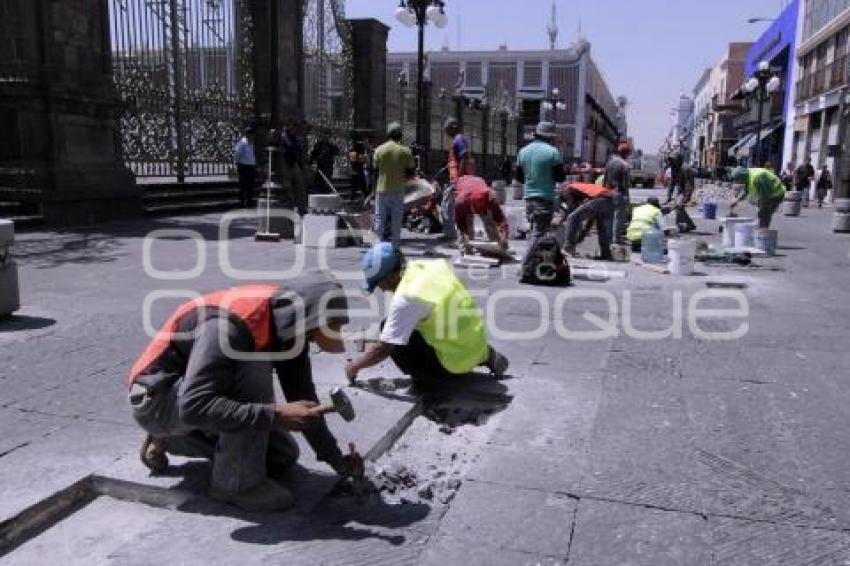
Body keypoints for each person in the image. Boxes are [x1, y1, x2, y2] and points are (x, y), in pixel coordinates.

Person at [127, 271, 360, 512]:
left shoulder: (286, 324)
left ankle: (176, 440)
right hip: (157, 403)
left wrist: (336, 460)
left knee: (282, 456)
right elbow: (194, 406)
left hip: (193, 398)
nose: (310, 342)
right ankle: (235, 485)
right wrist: (276, 415)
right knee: (253, 366)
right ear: (302, 319)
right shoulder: (228, 326)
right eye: (312, 335)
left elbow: (303, 396)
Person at [345, 243, 509, 392]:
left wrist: (354, 367)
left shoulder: (407, 297)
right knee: (417, 323)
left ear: (389, 277)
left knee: (390, 331)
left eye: (378, 284)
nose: (381, 289)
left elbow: (382, 349)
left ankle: (430, 382)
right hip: (476, 343)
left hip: (454, 365)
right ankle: (484, 356)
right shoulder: (431, 266)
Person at [515, 121, 566, 272]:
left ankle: (533, 264)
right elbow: (560, 177)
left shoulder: (523, 151)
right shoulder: (552, 152)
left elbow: (519, 177)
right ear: (550, 137)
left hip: (529, 198)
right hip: (544, 198)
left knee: (533, 232)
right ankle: (524, 266)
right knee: (538, 234)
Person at [373, 122, 416, 248]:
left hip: (381, 189)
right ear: (400, 135)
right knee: (396, 220)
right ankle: (395, 247)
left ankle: (377, 246)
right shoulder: (406, 151)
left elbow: (374, 172)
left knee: (379, 218)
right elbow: (411, 173)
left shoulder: (379, 150)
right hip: (398, 190)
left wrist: (372, 191)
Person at [453, 175, 509, 252]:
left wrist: (504, 236)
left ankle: (497, 247)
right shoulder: (460, 202)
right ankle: (466, 251)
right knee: (466, 227)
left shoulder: (491, 199)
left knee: (490, 221)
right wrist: (465, 235)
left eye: (483, 211)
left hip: (478, 182)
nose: (480, 214)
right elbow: (459, 222)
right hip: (463, 186)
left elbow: (501, 219)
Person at [560, 182, 615, 260]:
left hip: (601, 198)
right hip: (610, 201)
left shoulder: (567, 189)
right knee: (602, 229)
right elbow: (591, 220)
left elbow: (572, 211)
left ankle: (568, 247)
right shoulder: (582, 190)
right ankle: (606, 254)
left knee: (571, 218)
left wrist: (561, 221)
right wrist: (583, 235)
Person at [442, 118, 474, 242]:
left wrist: (459, 178)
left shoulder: (459, 139)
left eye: (447, 130)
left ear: (453, 128)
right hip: (459, 178)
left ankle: (450, 234)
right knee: (463, 207)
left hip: (458, 179)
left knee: (447, 206)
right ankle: (467, 234)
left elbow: (463, 158)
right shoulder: (458, 140)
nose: (446, 133)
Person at [605, 142, 632, 246]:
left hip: (608, 191)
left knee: (609, 216)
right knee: (618, 217)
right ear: (627, 154)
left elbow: (605, 178)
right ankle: (616, 240)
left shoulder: (610, 163)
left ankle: (608, 238)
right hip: (619, 193)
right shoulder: (625, 165)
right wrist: (627, 197)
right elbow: (626, 183)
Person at [279, 121, 307, 213]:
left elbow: (298, 149)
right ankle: (290, 207)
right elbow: (288, 147)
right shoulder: (283, 136)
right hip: (286, 163)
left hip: (294, 163)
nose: (294, 129)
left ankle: (301, 207)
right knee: (288, 187)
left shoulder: (294, 136)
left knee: (300, 186)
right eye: (292, 127)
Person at [234, 127, 256, 208]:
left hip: (251, 166)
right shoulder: (242, 143)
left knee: (250, 185)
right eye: (251, 134)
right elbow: (237, 154)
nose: (252, 136)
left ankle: (249, 201)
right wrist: (238, 163)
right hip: (244, 166)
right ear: (248, 135)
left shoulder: (251, 143)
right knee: (243, 185)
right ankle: (242, 202)